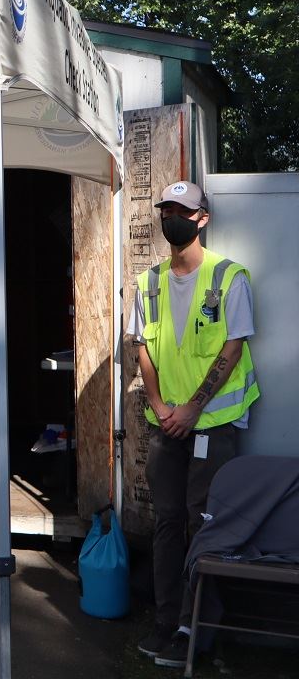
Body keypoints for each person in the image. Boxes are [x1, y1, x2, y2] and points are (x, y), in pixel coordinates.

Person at [127, 181, 259, 668]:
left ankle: (196, 626)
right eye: (166, 210)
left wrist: (193, 409)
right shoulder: (148, 282)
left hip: (213, 423)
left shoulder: (230, 277)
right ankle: (165, 622)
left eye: (182, 211)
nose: (171, 219)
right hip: (166, 422)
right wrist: (162, 406)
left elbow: (233, 348)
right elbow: (141, 348)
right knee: (166, 522)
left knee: (204, 524)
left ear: (202, 218)